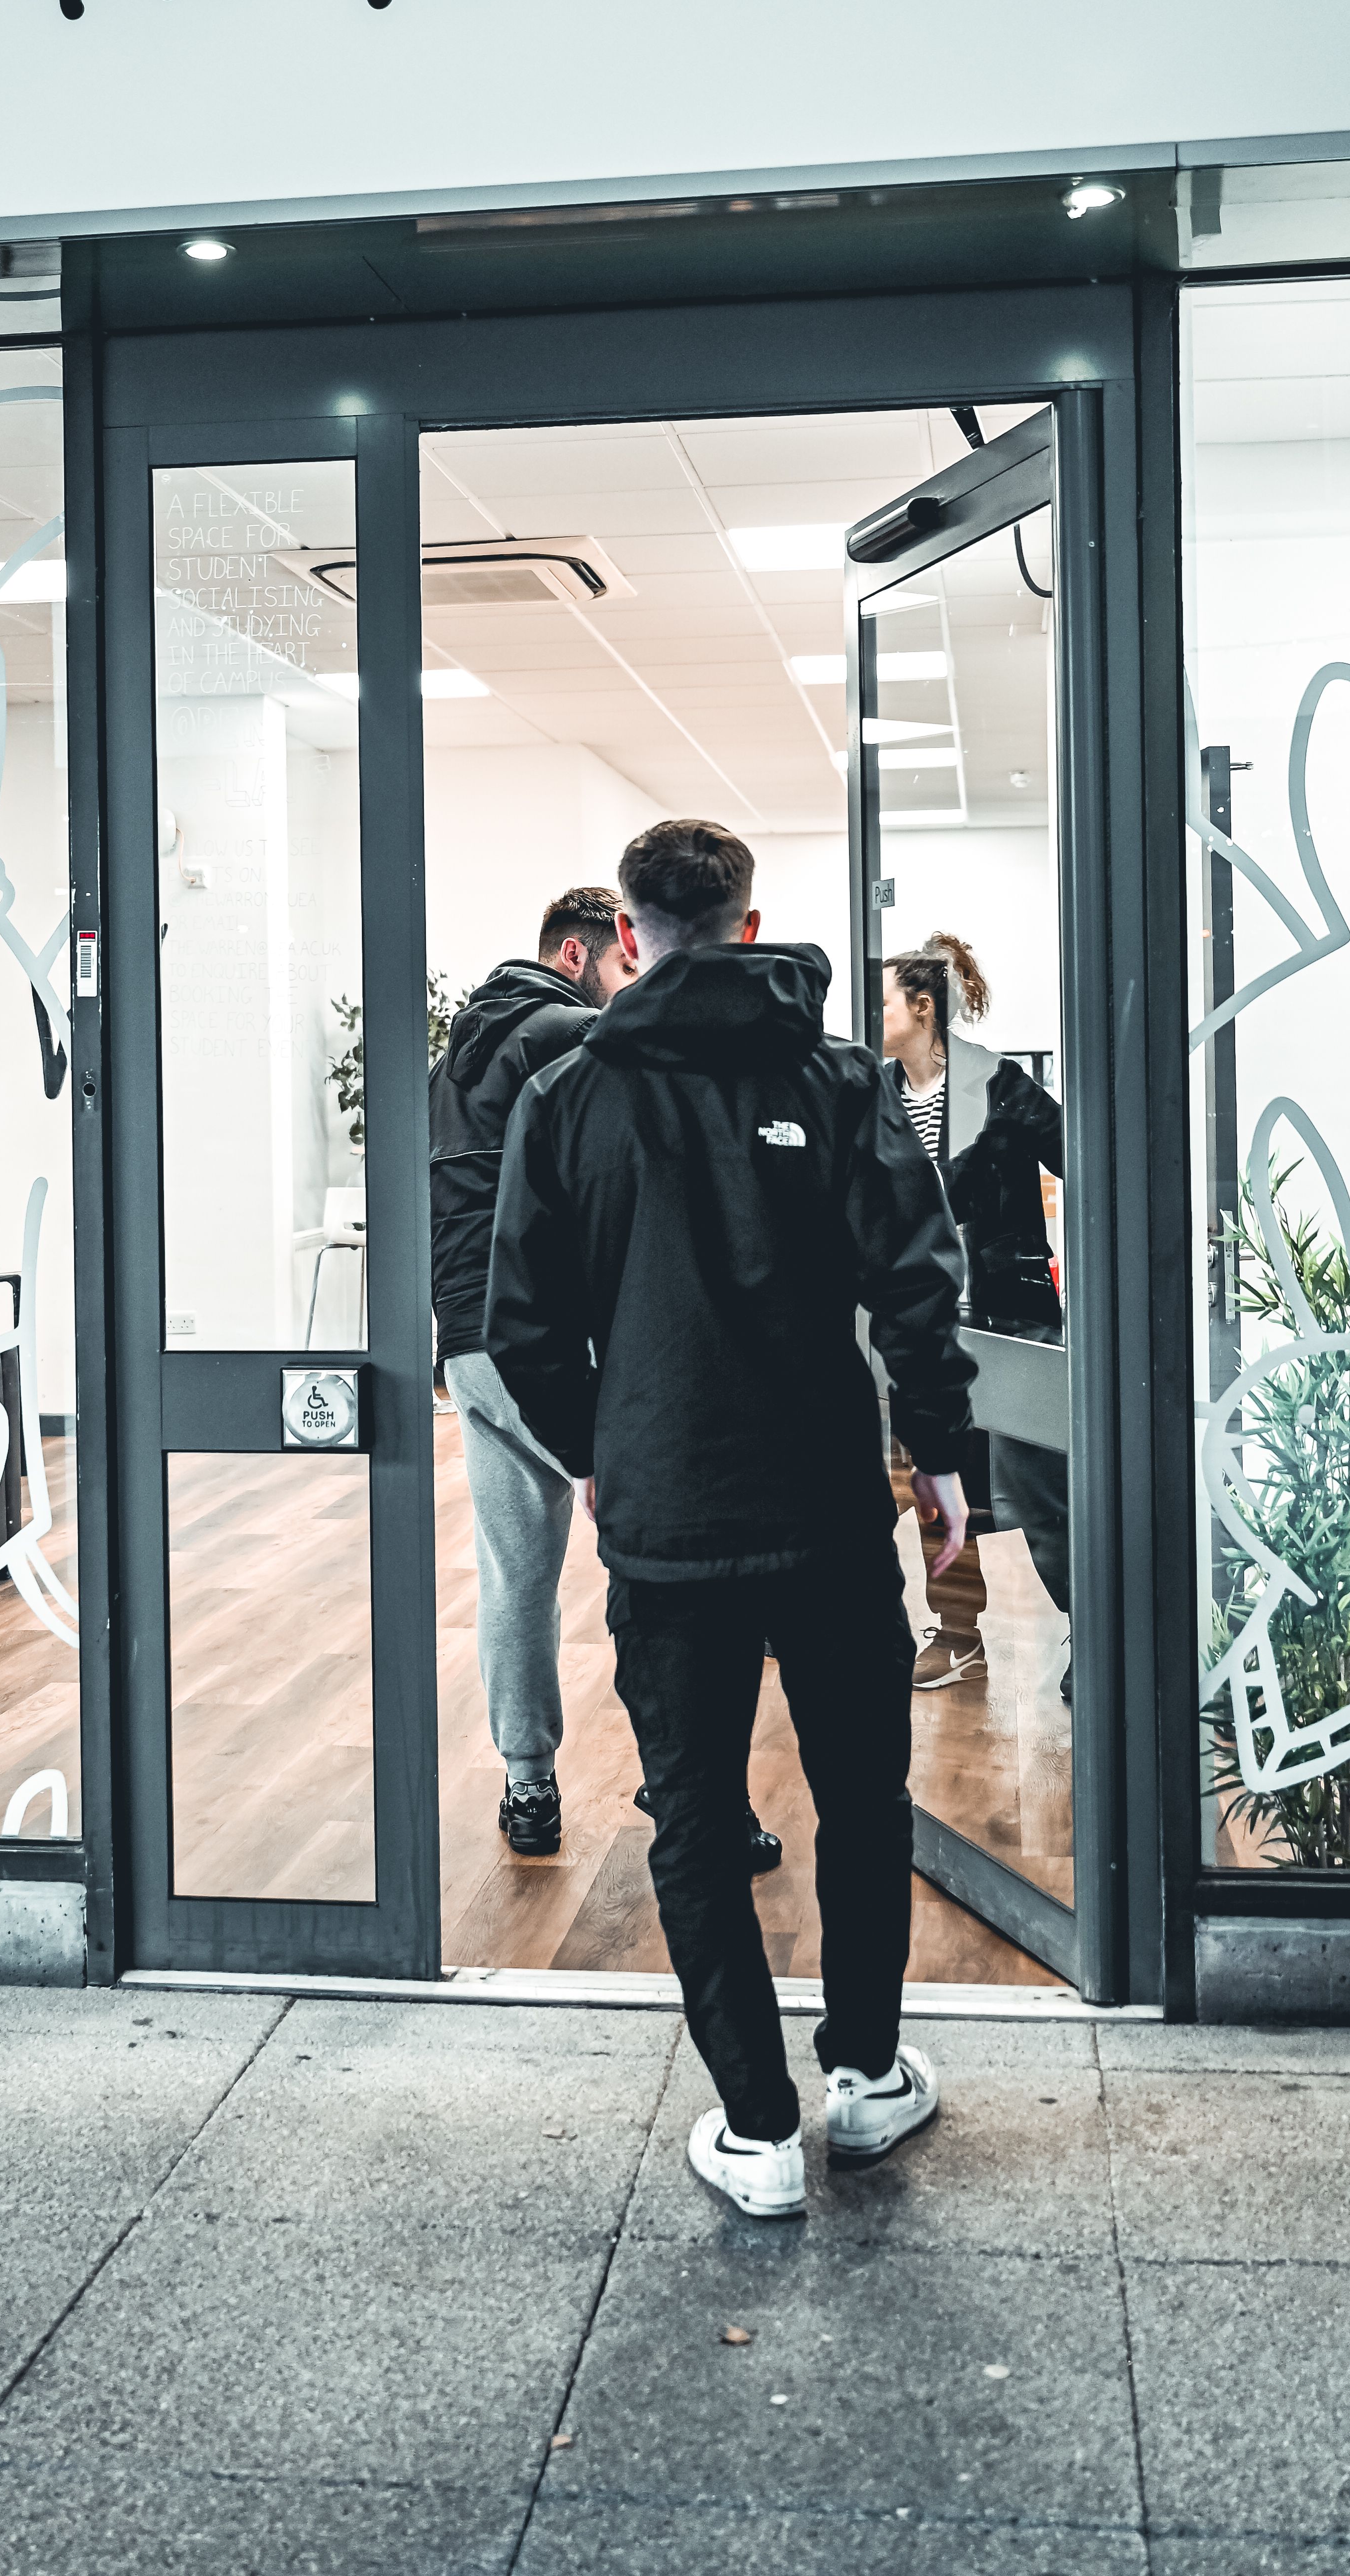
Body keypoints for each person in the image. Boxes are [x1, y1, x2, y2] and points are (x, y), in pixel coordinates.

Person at [486, 819, 974, 2219]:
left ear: (629, 940)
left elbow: (523, 1328)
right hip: (826, 1511)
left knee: (694, 1822)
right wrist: (937, 1454)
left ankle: (757, 2134)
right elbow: (916, 1285)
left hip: (667, 1523)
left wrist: (599, 1452)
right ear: (752, 929)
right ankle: (867, 2082)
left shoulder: (567, 1094)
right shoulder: (840, 1079)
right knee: (862, 1801)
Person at [430, 886, 784, 1876]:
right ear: (584, 954)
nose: (634, 979)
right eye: (623, 964)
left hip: (470, 1344)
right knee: (665, 1567)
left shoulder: (455, 1053)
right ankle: (690, 1788)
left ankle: (528, 1783)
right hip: (563, 1339)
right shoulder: (570, 1034)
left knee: (515, 1572)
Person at [880, 939, 1070, 1697]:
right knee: (937, 1483)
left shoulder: (1000, 1084)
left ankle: (1090, 1627)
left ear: (923, 1009)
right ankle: (959, 1636)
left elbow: (1087, 1161)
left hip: (1010, 1315)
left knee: (1036, 1489)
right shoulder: (873, 1092)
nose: (872, 1017)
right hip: (920, 1324)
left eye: (884, 1001)